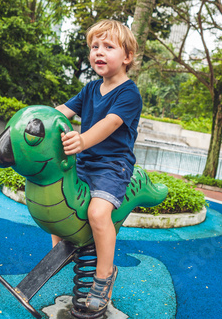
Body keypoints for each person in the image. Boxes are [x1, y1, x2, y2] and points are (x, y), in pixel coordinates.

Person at [54, 19, 141, 312]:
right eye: (94, 47)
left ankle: (103, 276)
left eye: (108, 46)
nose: (99, 52)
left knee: (97, 212)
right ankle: (60, 253)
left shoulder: (129, 93)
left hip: (112, 166)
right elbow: (62, 112)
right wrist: (36, 120)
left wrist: (81, 140)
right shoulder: (90, 88)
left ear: (126, 57)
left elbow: (110, 123)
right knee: (59, 205)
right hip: (85, 162)